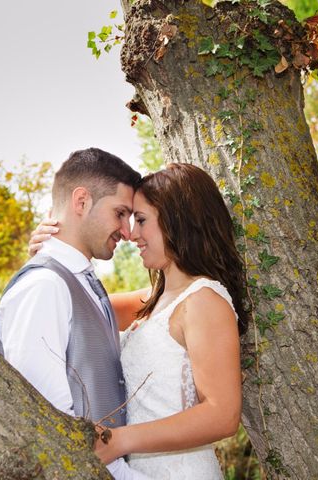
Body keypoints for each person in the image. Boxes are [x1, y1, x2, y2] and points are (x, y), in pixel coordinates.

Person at [31, 163, 247, 479]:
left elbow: (222, 414)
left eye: (142, 220)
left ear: (178, 222)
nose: (131, 234)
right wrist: (47, 254)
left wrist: (118, 441)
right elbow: (68, 303)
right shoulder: (153, 300)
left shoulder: (204, 301)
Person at [0, 147, 151, 480]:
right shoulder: (44, 287)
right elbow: (47, 428)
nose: (127, 231)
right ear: (81, 201)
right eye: (120, 213)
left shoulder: (78, 283)